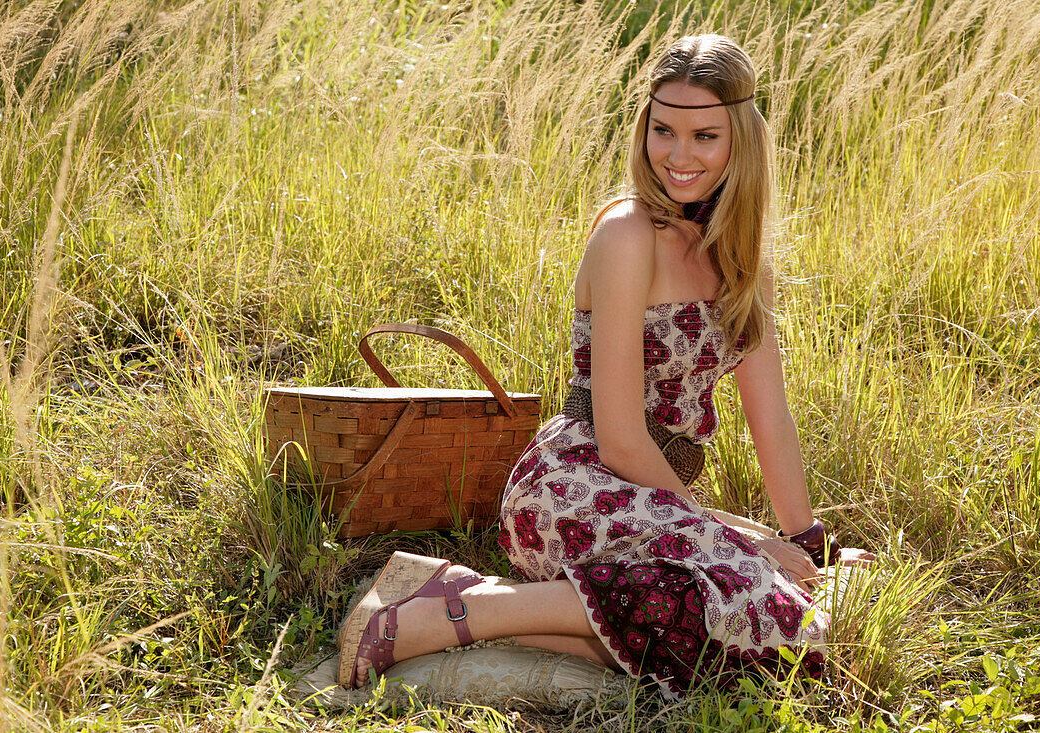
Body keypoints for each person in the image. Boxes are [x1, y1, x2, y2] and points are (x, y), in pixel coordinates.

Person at [337, 34, 873, 698]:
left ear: (742, 138)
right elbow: (620, 436)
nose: (679, 155)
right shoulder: (627, 235)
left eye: (704, 135)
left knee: (778, 624)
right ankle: (447, 618)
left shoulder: (742, 258)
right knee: (757, 599)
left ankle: (450, 587)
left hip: (658, 499)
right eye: (663, 130)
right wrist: (728, 536)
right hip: (578, 482)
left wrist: (807, 542)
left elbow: (772, 417)